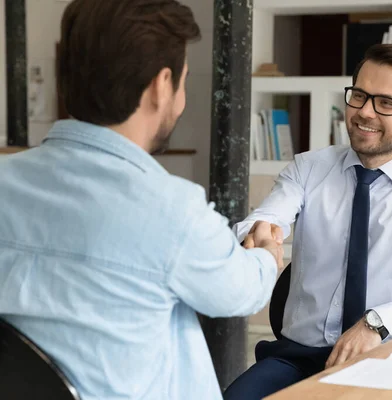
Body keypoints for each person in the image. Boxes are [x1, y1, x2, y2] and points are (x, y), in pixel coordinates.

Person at [0, 1, 284, 399]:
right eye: (183, 81)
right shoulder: (172, 209)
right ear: (161, 85)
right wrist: (267, 255)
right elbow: (241, 291)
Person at [224, 43, 392, 400]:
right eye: (359, 95)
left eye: (386, 103)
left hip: (384, 358)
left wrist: (377, 321)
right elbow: (266, 218)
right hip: (296, 358)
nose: (365, 113)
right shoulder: (308, 168)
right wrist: (259, 234)